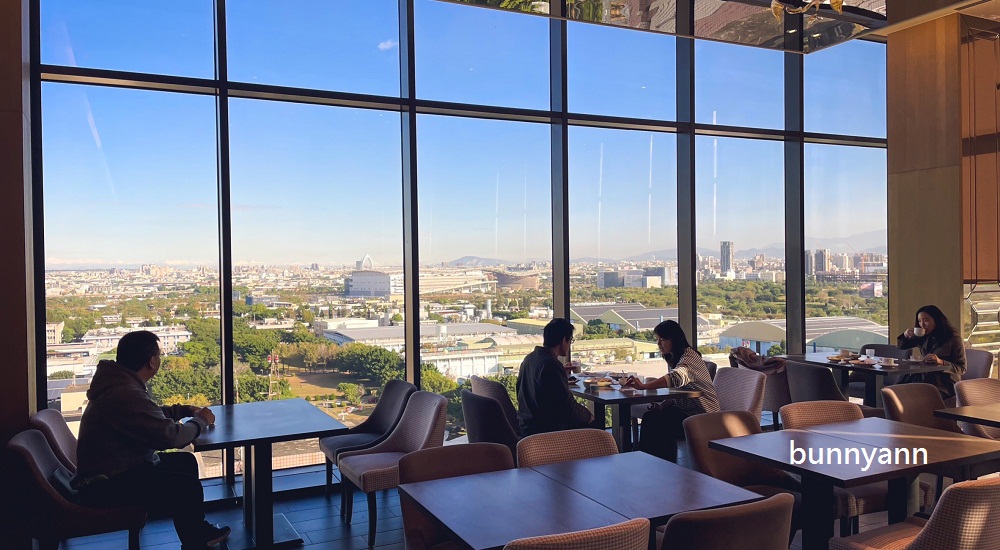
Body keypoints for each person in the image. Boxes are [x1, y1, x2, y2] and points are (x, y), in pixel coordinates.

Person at [74, 330, 230, 550]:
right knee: (186, 487)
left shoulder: (118, 385)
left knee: (185, 463)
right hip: (106, 485)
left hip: (109, 474)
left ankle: (194, 533)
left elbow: (147, 415)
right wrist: (201, 421)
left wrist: (183, 410)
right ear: (151, 361)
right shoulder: (125, 393)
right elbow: (171, 437)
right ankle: (196, 539)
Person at [624, 320, 719, 462]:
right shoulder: (676, 357)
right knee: (652, 417)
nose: (659, 344)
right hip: (687, 411)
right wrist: (662, 405)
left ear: (675, 339)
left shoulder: (689, 359)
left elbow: (675, 378)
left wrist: (644, 387)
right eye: (657, 340)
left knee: (657, 423)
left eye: (663, 340)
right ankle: (655, 463)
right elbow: (677, 392)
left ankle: (656, 464)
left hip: (703, 416)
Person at [516, 318, 596, 436]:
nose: (569, 345)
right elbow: (567, 406)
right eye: (570, 340)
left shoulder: (530, 358)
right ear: (564, 340)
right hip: (547, 429)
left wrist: (560, 372)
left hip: (528, 425)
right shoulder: (551, 365)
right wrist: (589, 417)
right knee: (595, 426)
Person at [897, 305, 966, 399]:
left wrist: (941, 362)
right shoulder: (923, 336)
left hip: (943, 384)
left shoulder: (953, 339)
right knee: (896, 392)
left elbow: (962, 368)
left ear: (936, 320)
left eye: (926, 320)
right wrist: (905, 336)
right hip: (923, 379)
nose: (922, 324)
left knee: (914, 396)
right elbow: (901, 346)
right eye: (919, 321)